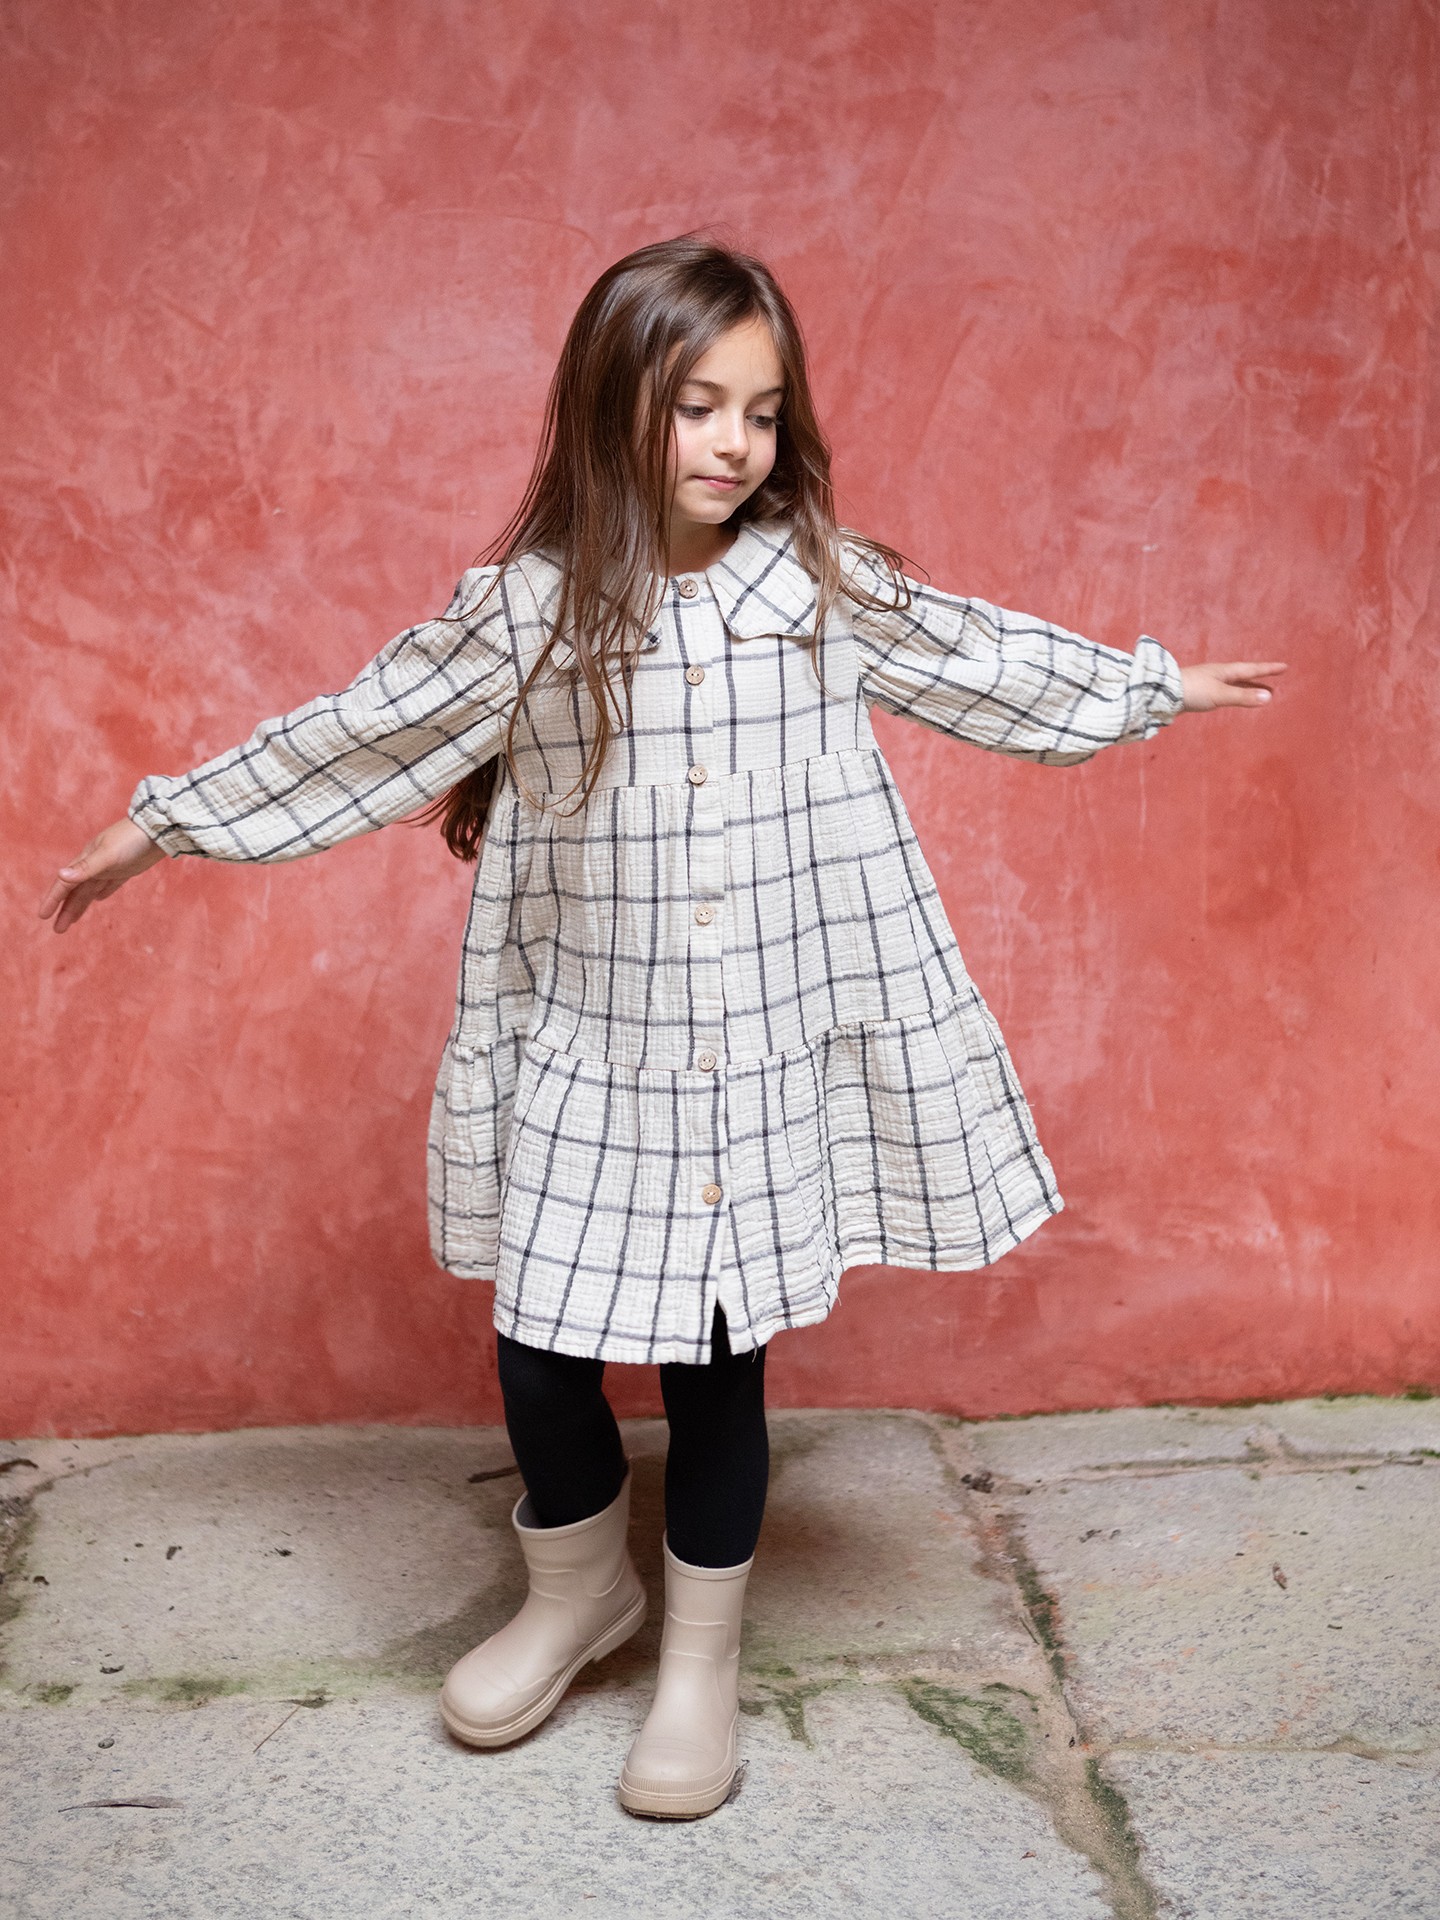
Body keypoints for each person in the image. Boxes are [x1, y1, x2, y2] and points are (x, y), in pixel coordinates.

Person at [39, 235, 1285, 1820]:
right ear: (609, 405)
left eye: (760, 414)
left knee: (718, 1359)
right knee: (541, 1346)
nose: (731, 446)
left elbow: (977, 653)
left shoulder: (815, 587)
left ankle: (698, 1656)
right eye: (696, 406)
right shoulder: (529, 614)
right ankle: (577, 1589)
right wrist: (166, 824)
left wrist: (1148, 684)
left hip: (758, 1042)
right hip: (588, 1038)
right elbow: (362, 731)